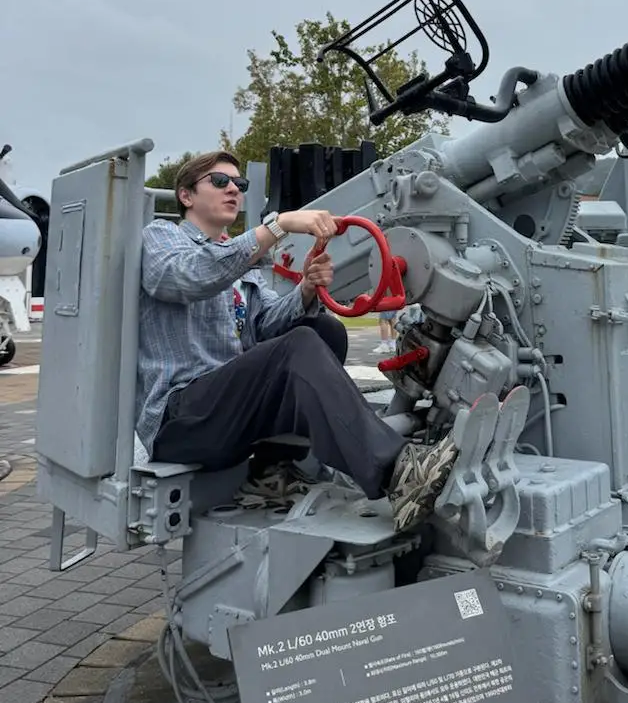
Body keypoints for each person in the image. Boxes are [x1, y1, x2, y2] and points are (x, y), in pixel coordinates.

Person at [135, 150, 458, 532]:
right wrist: (280, 224)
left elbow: (268, 326)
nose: (233, 190)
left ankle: (273, 469)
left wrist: (306, 288)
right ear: (186, 195)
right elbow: (186, 277)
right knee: (300, 344)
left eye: (240, 184)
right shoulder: (162, 237)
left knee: (324, 331)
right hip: (179, 417)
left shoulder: (243, 266)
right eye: (220, 182)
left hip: (223, 411)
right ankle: (396, 474)